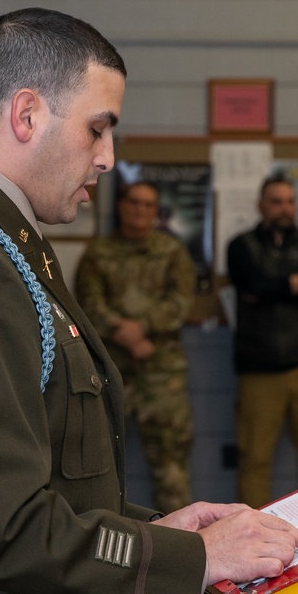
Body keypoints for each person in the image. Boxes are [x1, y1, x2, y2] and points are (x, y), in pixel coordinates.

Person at [0, 7, 298, 594]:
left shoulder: (2, 241)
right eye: (98, 129)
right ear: (27, 114)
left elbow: (47, 485)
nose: (108, 157)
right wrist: (190, 560)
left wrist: (162, 537)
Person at [75, 180, 196, 514]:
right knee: (101, 465)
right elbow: (87, 303)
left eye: (149, 205)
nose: (141, 210)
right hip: (111, 373)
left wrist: (142, 327)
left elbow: (182, 302)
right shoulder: (98, 253)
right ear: (122, 206)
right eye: (135, 203)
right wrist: (122, 332)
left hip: (162, 375)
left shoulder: (172, 252)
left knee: (171, 467)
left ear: (157, 213)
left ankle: (180, 548)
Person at [227, 172, 298, 509]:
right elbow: (253, 287)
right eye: (277, 202)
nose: (285, 209)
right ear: (262, 206)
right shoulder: (240, 246)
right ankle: (253, 533)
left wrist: (275, 288)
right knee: (255, 458)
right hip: (259, 368)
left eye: (290, 202)